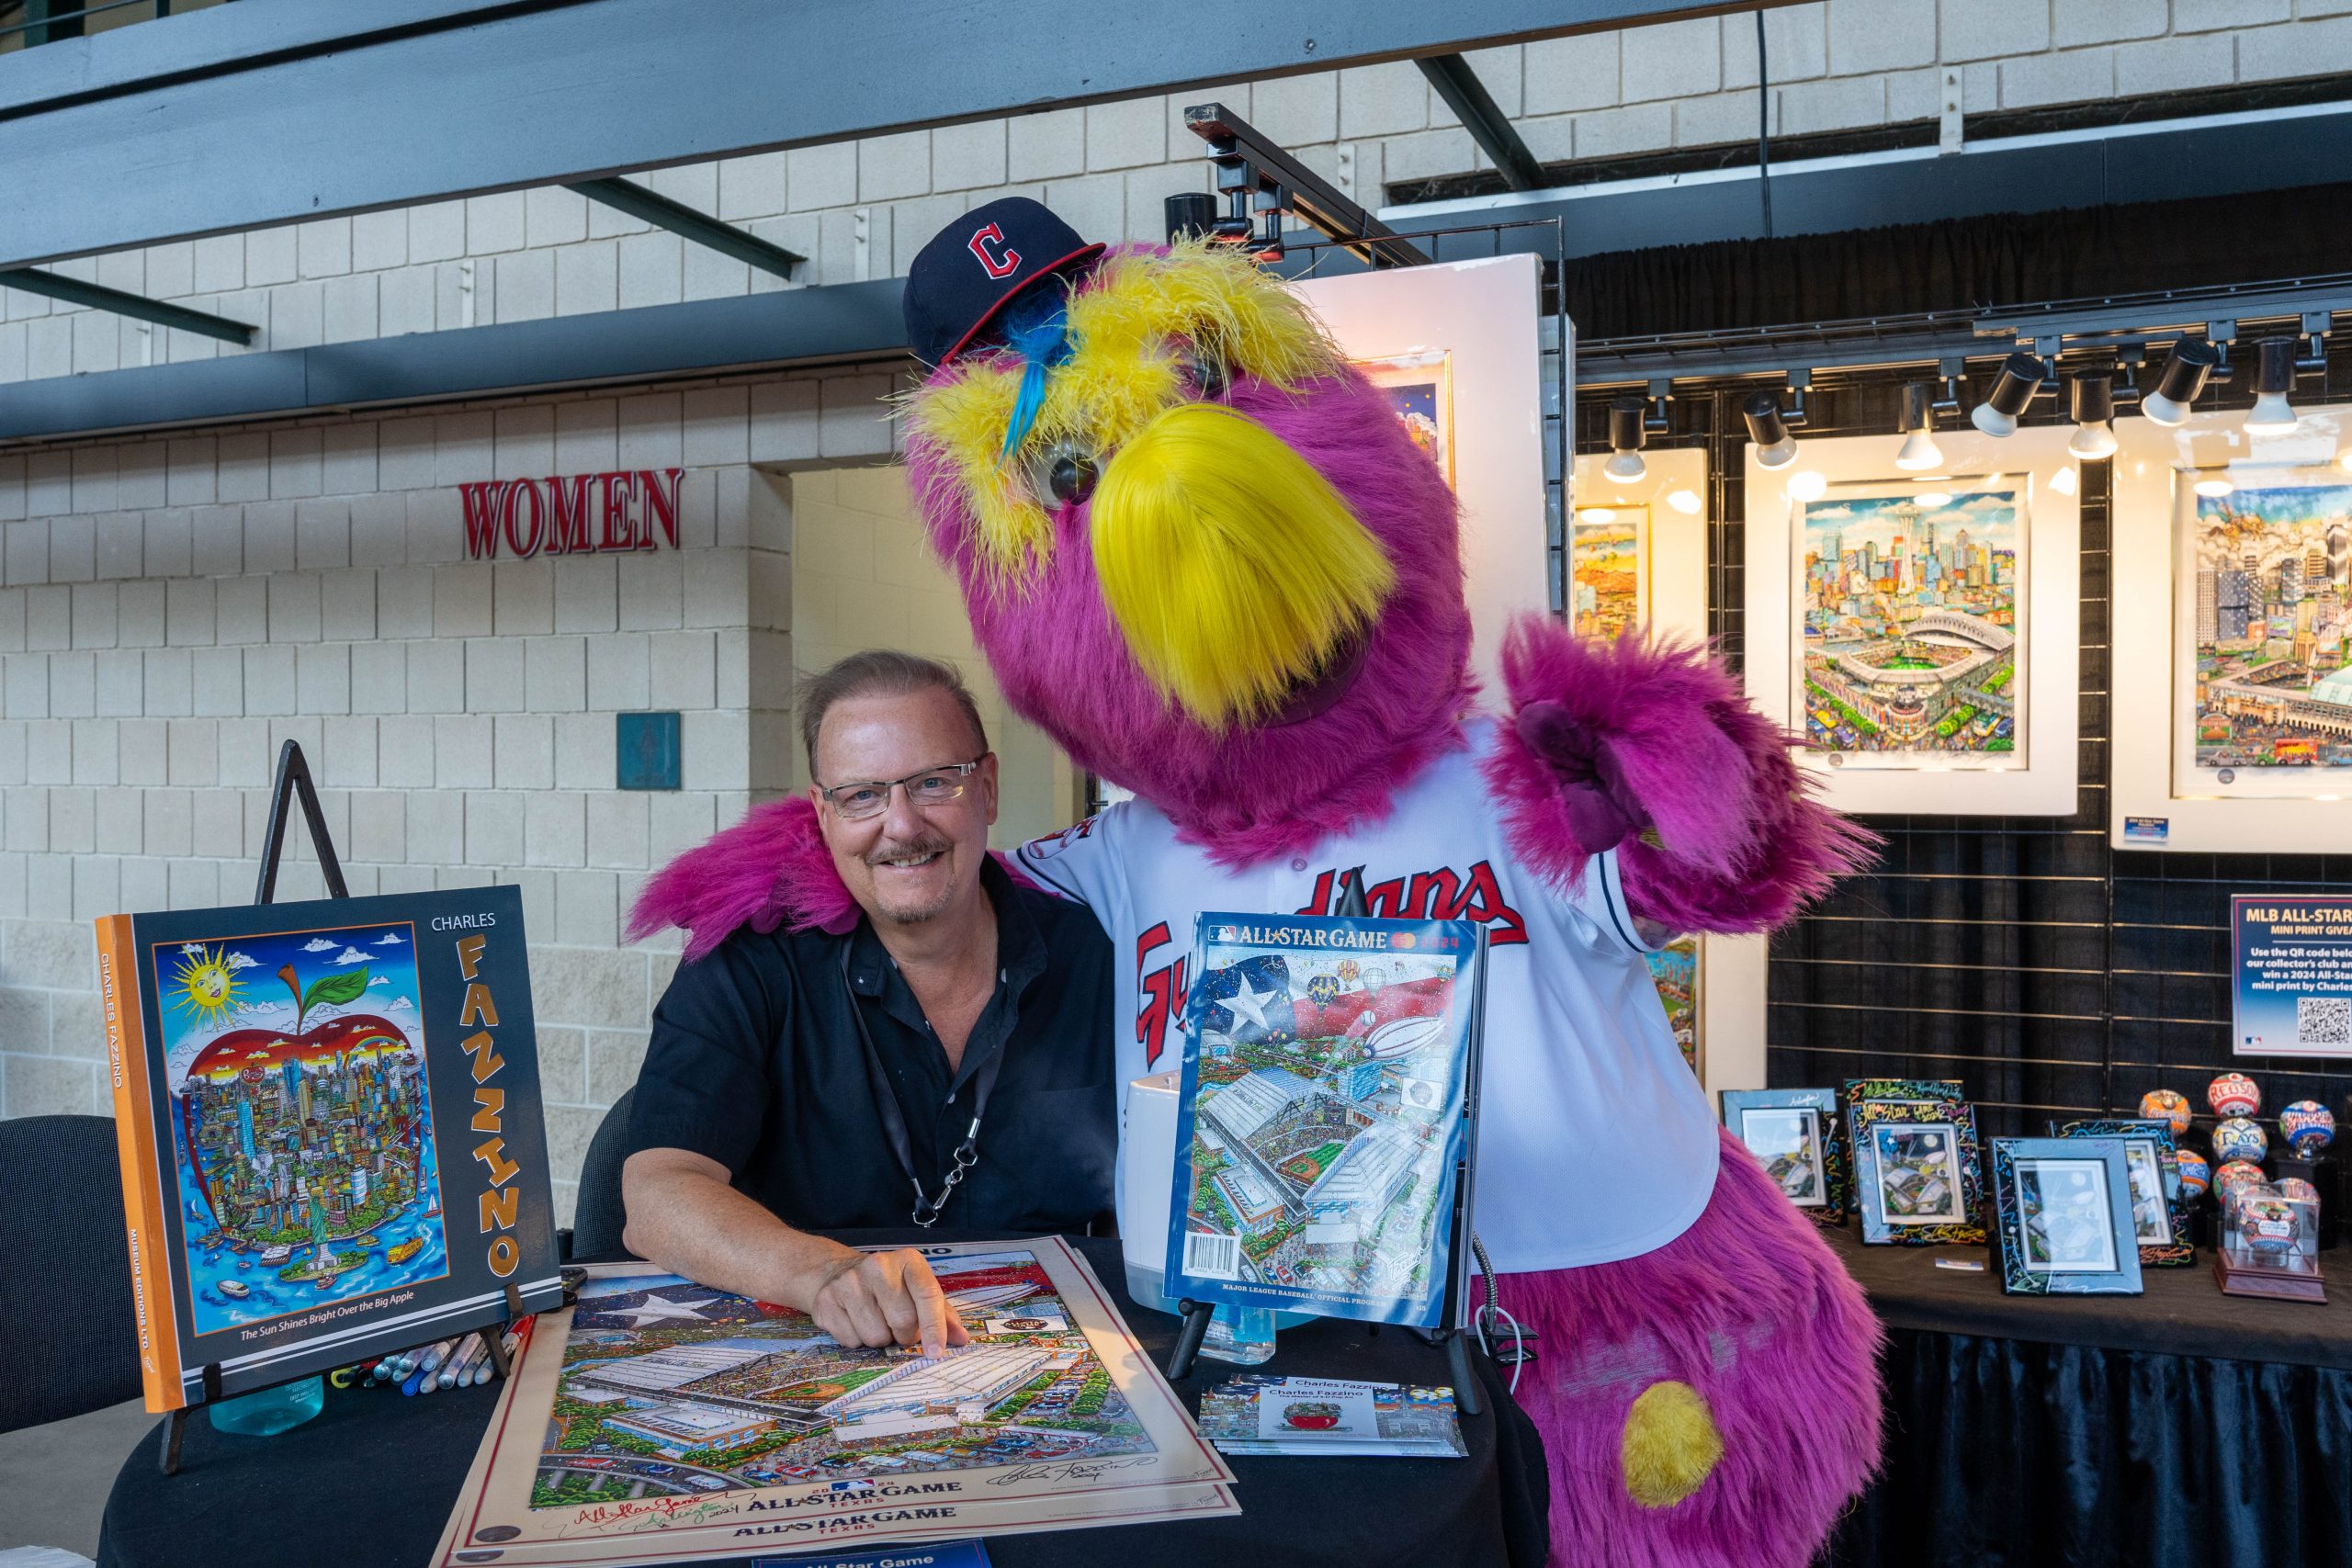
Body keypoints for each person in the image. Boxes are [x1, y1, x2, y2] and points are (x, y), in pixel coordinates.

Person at [620, 650, 1115, 1360]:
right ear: (823, 813)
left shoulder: (1100, 955)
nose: (902, 824)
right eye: (862, 796)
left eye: (934, 782)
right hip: (811, 1358)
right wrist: (821, 1272)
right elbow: (658, 1194)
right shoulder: (748, 960)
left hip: (1060, 1362)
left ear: (988, 789)